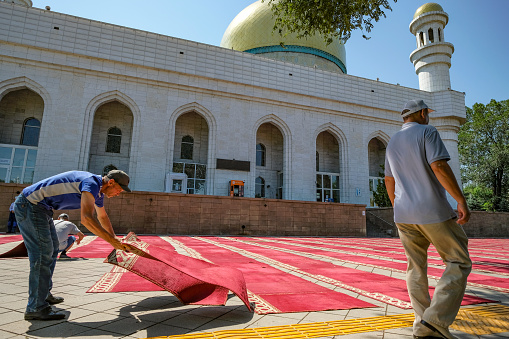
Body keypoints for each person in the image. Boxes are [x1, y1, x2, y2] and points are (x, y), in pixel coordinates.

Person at [384, 100, 472, 339]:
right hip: (431, 210)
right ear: (422, 113)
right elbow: (440, 166)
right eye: (427, 114)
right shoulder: (428, 131)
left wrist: (398, 206)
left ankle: (423, 324)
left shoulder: (392, 141)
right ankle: (434, 320)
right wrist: (460, 200)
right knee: (459, 260)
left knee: (415, 266)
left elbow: (388, 181)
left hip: (403, 214)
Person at [13, 170, 137, 321]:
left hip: (43, 209)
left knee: (52, 251)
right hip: (30, 205)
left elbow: (102, 216)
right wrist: (112, 242)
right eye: (119, 189)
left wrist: (116, 240)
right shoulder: (91, 183)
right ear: (111, 183)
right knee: (42, 254)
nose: (119, 193)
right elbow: (86, 219)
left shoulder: (98, 193)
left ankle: (43, 294)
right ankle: (35, 307)